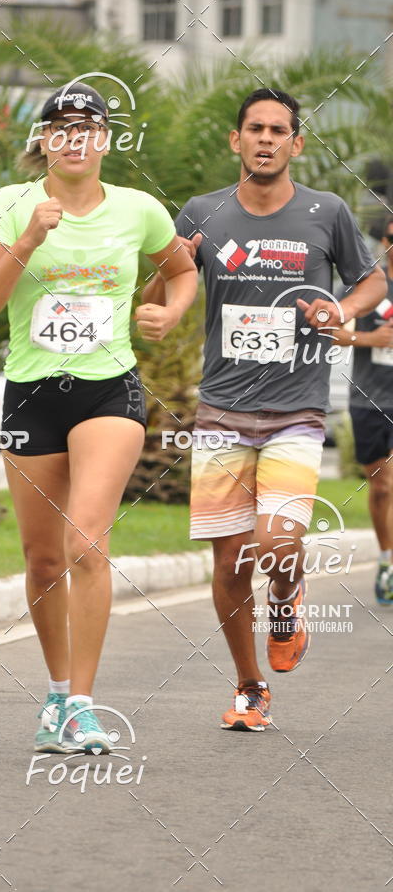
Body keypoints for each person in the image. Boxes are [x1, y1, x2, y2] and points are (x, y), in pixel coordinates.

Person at [0, 82, 198, 752]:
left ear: (105, 140)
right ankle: (58, 691)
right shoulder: (11, 205)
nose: (73, 138)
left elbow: (181, 271)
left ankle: (84, 707)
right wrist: (29, 240)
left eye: (86, 127)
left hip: (109, 390)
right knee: (42, 560)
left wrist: (171, 309)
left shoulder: (139, 209)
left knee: (85, 544)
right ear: (43, 141)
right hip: (31, 395)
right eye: (60, 127)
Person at [144, 88, 386, 731]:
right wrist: (169, 280)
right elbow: (162, 282)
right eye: (255, 128)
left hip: (296, 409)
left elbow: (373, 279)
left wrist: (345, 312)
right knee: (226, 564)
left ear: (296, 143)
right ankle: (250, 686)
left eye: (280, 130)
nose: (267, 139)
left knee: (278, 545)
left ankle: (285, 596)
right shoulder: (203, 211)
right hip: (221, 408)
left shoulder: (325, 211)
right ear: (236, 140)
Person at [332, 216, 393, 604]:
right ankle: (387, 560)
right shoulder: (369, 283)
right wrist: (368, 337)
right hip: (369, 399)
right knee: (382, 485)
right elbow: (328, 326)